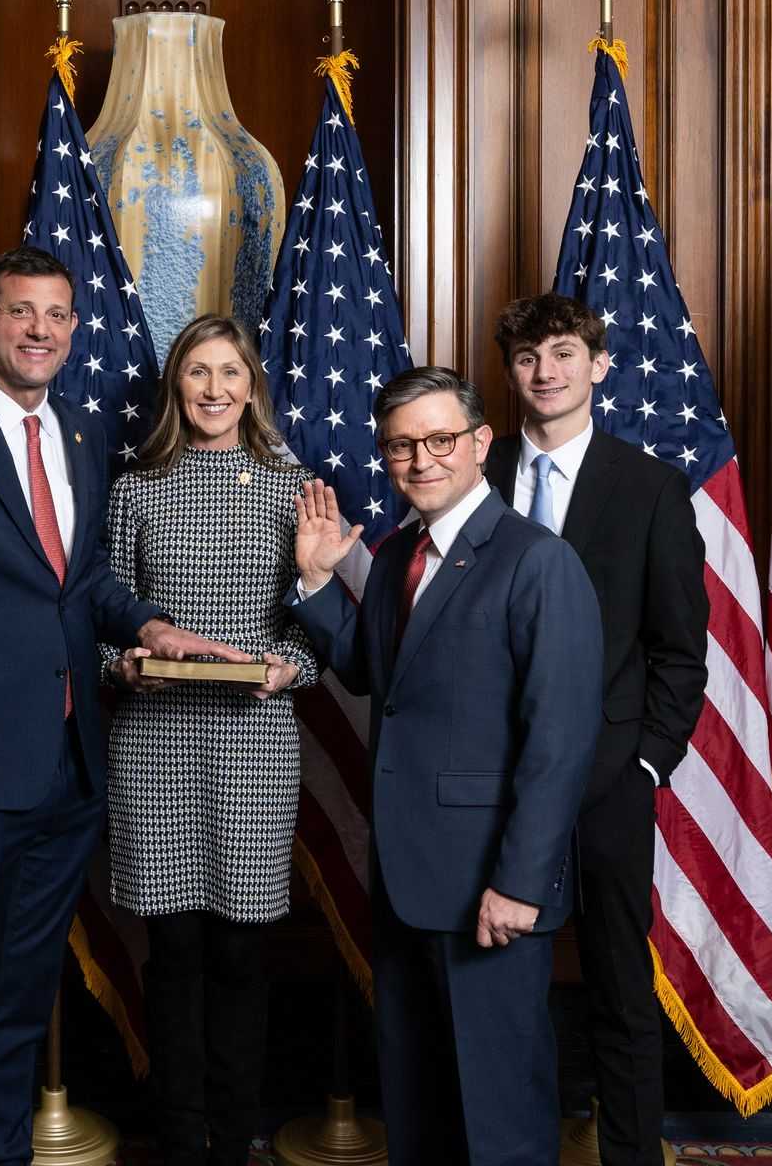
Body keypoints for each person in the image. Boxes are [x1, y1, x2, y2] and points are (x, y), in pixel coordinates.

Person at [0, 246, 247, 1166]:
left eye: (58, 314)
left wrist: (151, 626)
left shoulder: (76, 426)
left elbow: (83, 580)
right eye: (21, 312)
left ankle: (0, 1151)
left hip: (69, 764)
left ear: (75, 328)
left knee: (25, 989)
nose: (41, 330)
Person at [289, 365, 602, 1166]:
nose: (421, 459)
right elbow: (372, 674)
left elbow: (559, 740)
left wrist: (523, 882)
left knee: (498, 1117)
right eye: (401, 445)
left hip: (489, 886)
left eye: (439, 439)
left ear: (479, 444)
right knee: (418, 1106)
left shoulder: (536, 562)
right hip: (404, 875)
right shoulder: (397, 559)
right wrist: (322, 579)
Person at [488, 293, 709, 1166]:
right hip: (490, 775)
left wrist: (647, 767)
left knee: (619, 985)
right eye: (528, 358)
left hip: (610, 780)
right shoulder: (475, 468)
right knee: (501, 987)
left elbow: (680, 652)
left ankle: (629, 1153)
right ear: (509, 372)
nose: (546, 373)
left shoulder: (648, 486)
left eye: (564, 355)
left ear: (599, 365)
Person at [100, 316, 319, 1166]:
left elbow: (315, 636)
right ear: (175, 386)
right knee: (173, 949)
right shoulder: (135, 489)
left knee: (238, 950)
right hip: (154, 743)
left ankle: (233, 1139)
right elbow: (101, 623)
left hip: (254, 743)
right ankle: (179, 1135)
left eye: (231, 371)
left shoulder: (291, 486)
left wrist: (282, 670)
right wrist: (124, 666)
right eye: (198, 372)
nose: (215, 389)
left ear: (253, 384)